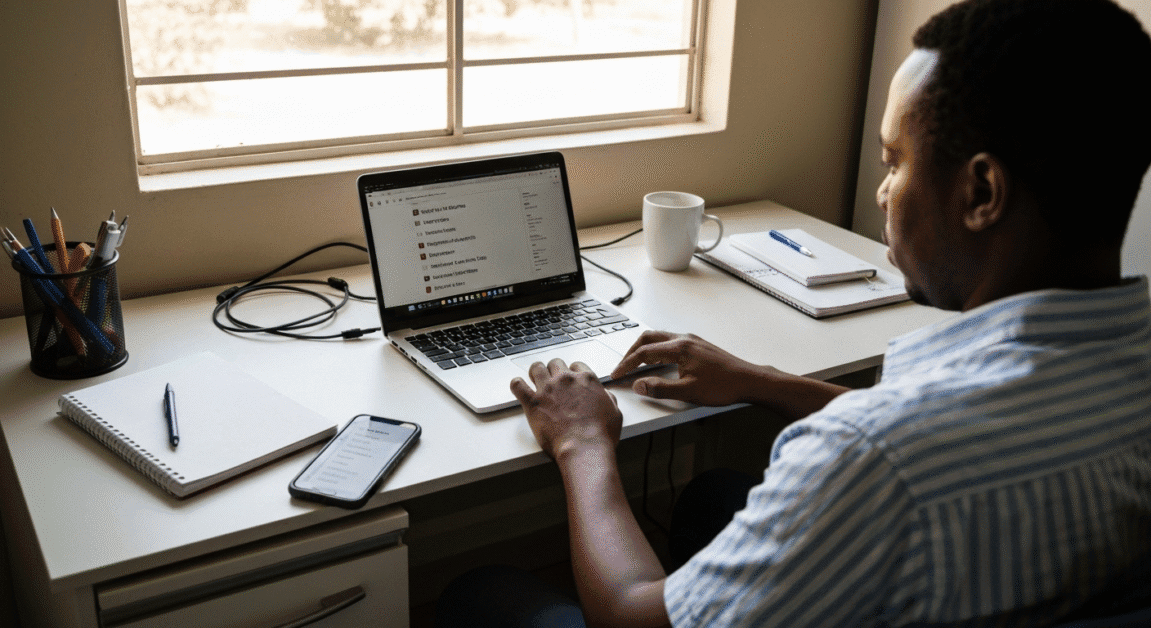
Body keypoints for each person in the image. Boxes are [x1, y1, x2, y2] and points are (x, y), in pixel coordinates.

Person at [438, 0, 1151, 625]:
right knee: (713, 496)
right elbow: (968, 438)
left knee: (485, 592)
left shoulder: (872, 459)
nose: (882, 192)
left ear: (981, 194)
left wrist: (581, 444)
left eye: (893, 160)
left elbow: (631, 618)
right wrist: (762, 381)